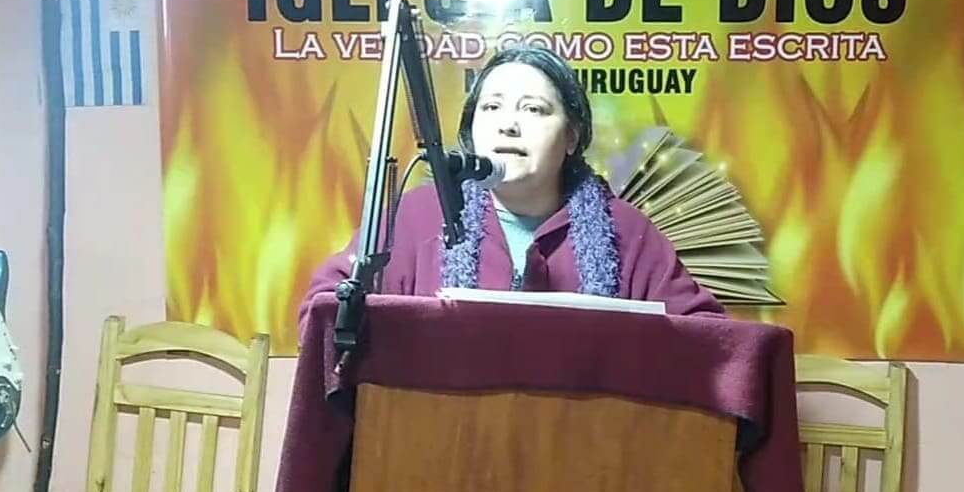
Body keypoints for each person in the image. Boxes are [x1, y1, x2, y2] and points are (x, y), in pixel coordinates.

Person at [299, 45, 724, 325]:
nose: (508, 125)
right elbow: (325, 309)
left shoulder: (624, 231)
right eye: (492, 107)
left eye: (533, 109)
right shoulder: (418, 216)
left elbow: (704, 336)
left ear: (572, 136)